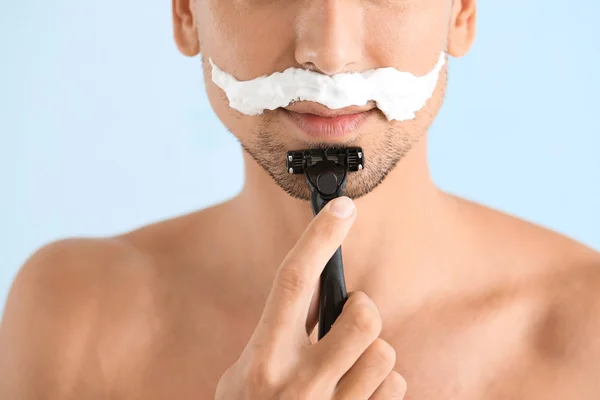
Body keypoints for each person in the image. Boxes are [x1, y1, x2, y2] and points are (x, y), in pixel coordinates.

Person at [1, 0, 600, 398]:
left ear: (462, 12)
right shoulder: (74, 319)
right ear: (187, 14)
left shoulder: (586, 337)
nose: (329, 54)